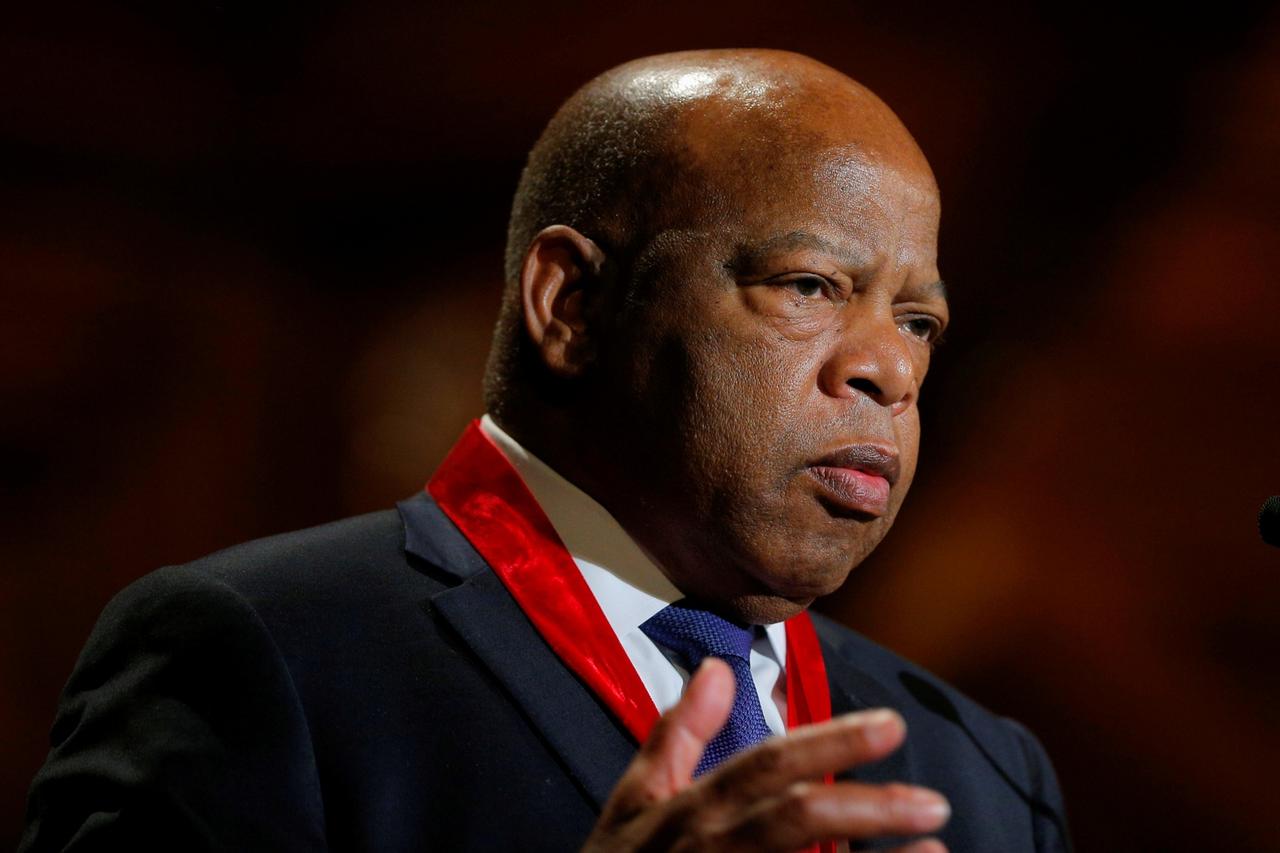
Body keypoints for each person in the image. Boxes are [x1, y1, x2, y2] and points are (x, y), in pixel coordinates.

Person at [20, 49, 1070, 852]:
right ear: (569, 304)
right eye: (808, 285)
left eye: (920, 322)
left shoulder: (977, 770)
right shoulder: (264, 655)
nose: (887, 367)